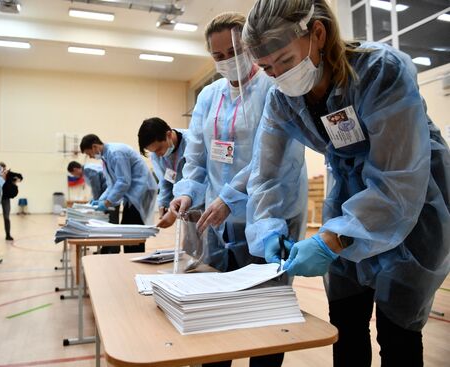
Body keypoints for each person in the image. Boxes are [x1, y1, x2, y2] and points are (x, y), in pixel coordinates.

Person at [241, 1, 450, 366]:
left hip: (414, 201)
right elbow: (266, 173)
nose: (278, 76)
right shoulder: (281, 99)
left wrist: (332, 239)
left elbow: (398, 182)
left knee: (398, 332)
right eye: (267, 68)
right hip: (348, 201)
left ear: (317, 33)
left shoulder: (380, 71)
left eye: (286, 61)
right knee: (346, 324)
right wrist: (268, 227)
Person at [170, 12, 307, 367]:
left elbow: (272, 156)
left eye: (233, 51)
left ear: (250, 46)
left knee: (265, 313)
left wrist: (230, 196)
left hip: (270, 214)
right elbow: (196, 156)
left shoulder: (274, 87)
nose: (226, 61)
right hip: (221, 220)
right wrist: (186, 192)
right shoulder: (208, 97)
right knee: (217, 310)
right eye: (217, 56)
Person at [80, 134, 157, 253]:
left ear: (94, 146)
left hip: (141, 191)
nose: (90, 156)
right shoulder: (106, 157)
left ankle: (133, 260)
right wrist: (100, 200)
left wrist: (107, 202)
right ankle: (129, 259)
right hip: (133, 194)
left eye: (88, 153)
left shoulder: (116, 153)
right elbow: (112, 184)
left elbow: (123, 182)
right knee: (126, 228)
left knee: (133, 230)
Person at [138, 117, 189, 228]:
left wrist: (174, 210)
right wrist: (164, 204)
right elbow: (166, 181)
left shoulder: (192, 143)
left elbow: (197, 179)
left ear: (169, 135)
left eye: (159, 149)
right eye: (153, 152)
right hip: (185, 207)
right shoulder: (157, 155)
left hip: (204, 202)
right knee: (191, 242)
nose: (158, 154)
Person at [67, 161, 120, 234]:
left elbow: (96, 187)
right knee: (107, 222)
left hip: (110, 197)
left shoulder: (87, 170)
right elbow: (95, 187)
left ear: (75, 169)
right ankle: (107, 243)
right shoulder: (87, 169)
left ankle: (112, 243)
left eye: (73, 174)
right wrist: (94, 199)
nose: (75, 176)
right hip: (108, 195)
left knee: (111, 222)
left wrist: (96, 200)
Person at [0, 161, 23, 242]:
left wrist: (17, 180)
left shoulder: (8, 174)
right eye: (1, 168)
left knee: (6, 217)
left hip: (5, 198)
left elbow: (19, 176)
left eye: (4, 168)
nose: (3, 170)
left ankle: (8, 235)